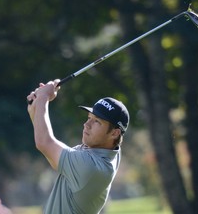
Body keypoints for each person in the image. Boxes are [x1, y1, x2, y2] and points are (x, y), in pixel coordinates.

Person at [27, 79, 130, 214]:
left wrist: (44, 98)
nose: (86, 125)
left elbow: (44, 143)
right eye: (89, 117)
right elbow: (50, 153)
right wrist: (35, 107)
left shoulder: (91, 167)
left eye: (97, 122)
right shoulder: (106, 150)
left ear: (114, 133)